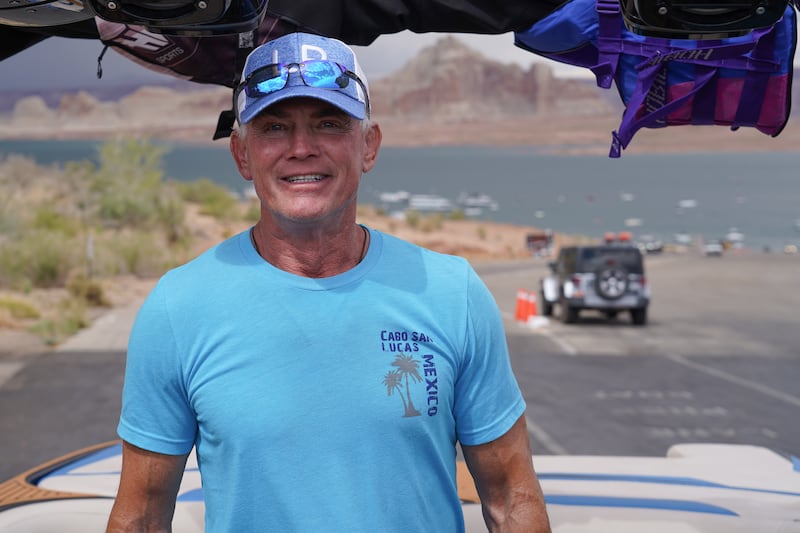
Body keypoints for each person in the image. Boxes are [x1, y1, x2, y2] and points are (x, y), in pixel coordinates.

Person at [107, 32, 551, 532]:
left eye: (329, 124)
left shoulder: (452, 292)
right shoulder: (179, 306)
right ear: (242, 155)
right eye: (274, 127)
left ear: (369, 146)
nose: (302, 148)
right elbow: (140, 516)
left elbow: (512, 498)